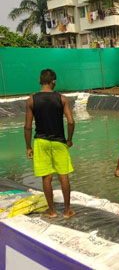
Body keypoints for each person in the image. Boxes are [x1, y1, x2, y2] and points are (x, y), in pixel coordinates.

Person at [24, 69, 76, 218]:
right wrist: (69, 139)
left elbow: (27, 126)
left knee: (46, 177)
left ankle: (52, 212)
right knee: (63, 176)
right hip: (59, 141)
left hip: (41, 141)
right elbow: (71, 122)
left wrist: (28, 146)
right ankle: (67, 211)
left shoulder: (31, 100)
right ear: (54, 81)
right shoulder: (63, 99)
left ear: (39, 81)